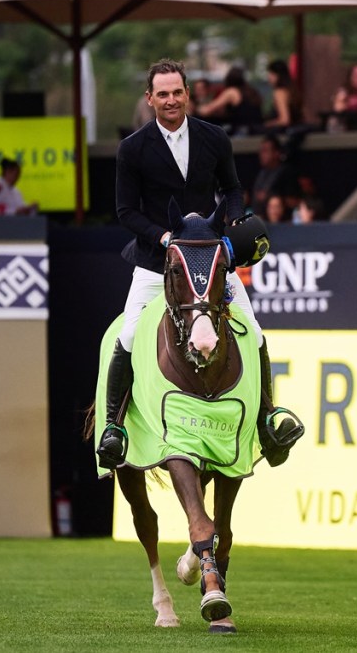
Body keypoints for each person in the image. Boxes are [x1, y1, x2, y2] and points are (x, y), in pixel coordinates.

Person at [96, 58, 266, 471]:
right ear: (149, 98)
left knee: (255, 332)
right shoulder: (133, 148)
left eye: (177, 92)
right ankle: (114, 427)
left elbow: (232, 188)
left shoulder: (214, 137)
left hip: (207, 260)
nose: (171, 100)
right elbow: (125, 211)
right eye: (163, 94)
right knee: (130, 334)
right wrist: (163, 237)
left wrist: (235, 220)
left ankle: (268, 421)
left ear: (188, 94)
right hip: (158, 263)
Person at [195, 67, 264, 135]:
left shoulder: (231, 92)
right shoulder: (250, 91)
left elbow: (207, 110)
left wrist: (195, 109)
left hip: (242, 131)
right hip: (257, 129)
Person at [250, 133, 299, 216]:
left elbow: (293, 202)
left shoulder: (286, 172)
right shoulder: (262, 173)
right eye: (261, 151)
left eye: (265, 151)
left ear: (276, 153)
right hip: (261, 219)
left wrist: (269, 197)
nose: (261, 155)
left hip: (282, 221)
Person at [264, 59, 303, 130]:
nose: (269, 77)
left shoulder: (279, 93)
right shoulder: (292, 90)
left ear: (279, 75)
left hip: (283, 133)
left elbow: (284, 120)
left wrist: (268, 124)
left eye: (272, 74)